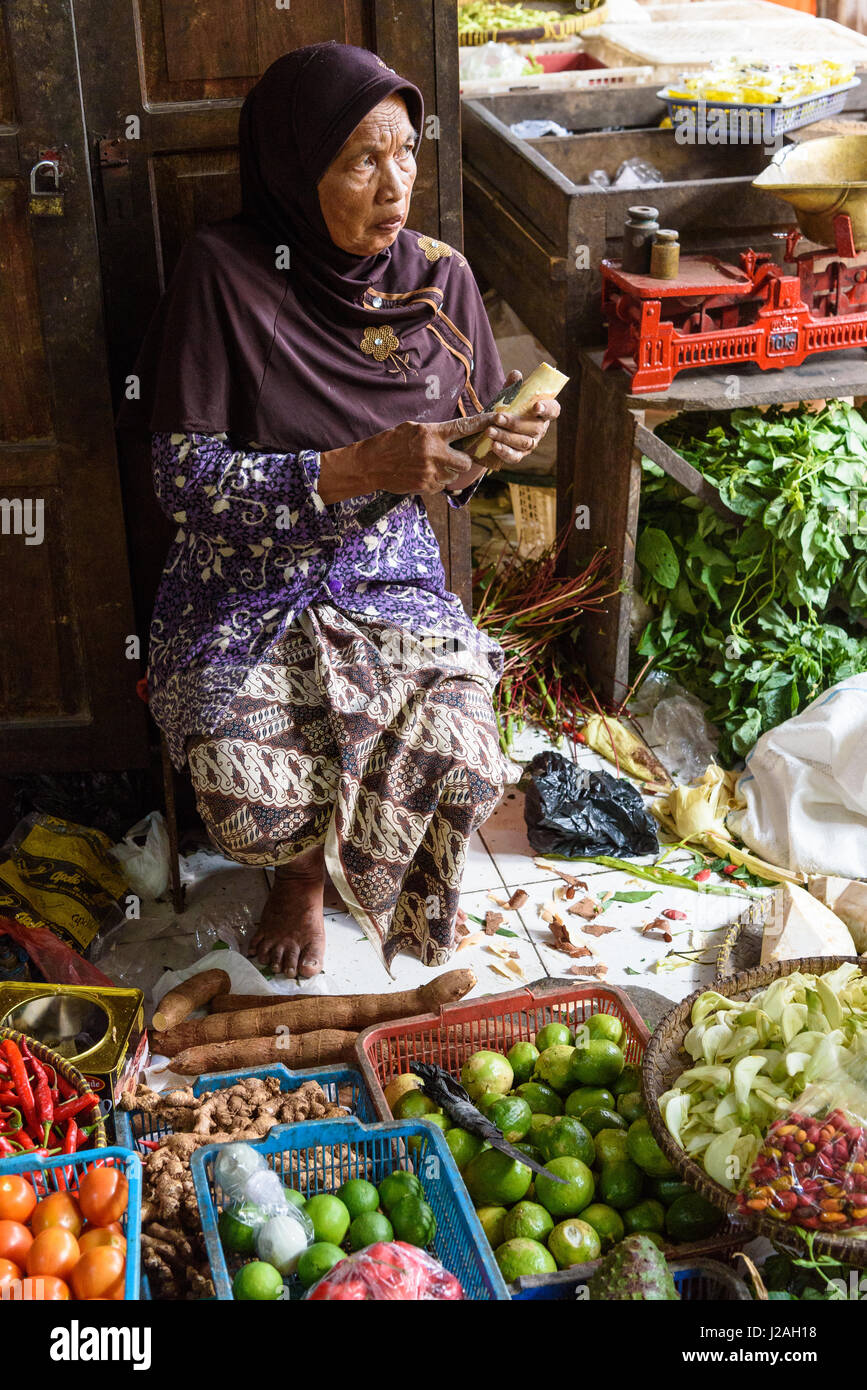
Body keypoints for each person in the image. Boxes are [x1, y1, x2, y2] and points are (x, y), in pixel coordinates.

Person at [120, 43, 559, 979]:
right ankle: (299, 872)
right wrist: (352, 468)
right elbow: (183, 479)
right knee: (249, 793)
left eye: (404, 153)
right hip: (238, 584)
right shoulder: (227, 274)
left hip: (386, 575)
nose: (394, 184)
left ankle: (368, 872)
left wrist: (491, 448)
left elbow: (460, 461)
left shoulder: (442, 279)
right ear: (293, 167)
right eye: (361, 159)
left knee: (462, 750)